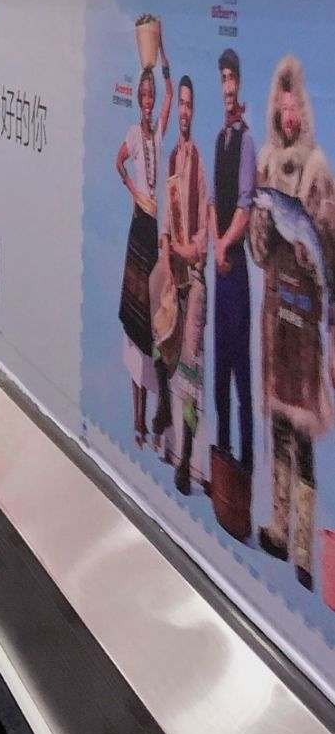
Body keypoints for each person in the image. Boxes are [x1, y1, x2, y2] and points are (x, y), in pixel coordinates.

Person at [250, 55, 335, 590]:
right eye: (281, 108)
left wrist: (309, 249)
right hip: (273, 321)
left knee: (302, 433)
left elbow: (329, 253)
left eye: (294, 106)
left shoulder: (319, 170)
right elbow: (258, 251)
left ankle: (304, 545)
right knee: (278, 425)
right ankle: (279, 527)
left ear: (302, 110)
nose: (288, 116)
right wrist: (262, 225)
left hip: (304, 326)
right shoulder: (264, 164)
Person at [115, 45, 174, 454]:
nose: (150, 101)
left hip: (156, 229)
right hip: (140, 226)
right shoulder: (135, 135)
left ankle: (152, 417)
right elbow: (118, 163)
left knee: (155, 324)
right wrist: (135, 192)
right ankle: (136, 419)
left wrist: (162, 53)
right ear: (139, 99)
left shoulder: (158, 133)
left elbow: (170, 99)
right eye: (146, 95)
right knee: (136, 327)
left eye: (152, 95)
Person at [211, 47, 256, 485]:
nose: (227, 86)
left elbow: (245, 205)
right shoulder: (219, 139)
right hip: (219, 264)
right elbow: (213, 202)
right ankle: (222, 458)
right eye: (222, 78)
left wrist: (224, 245)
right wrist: (213, 240)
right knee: (219, 370)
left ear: (239, 84)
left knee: (241, 371)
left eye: (231, 78)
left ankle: (245, 466)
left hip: (235, 268)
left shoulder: (245, 141)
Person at [165, 75, 211, 496]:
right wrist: (167, 252)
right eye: (179, 104)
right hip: (173, 279)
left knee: (190, 379)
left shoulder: (198, 164)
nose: (183, 111)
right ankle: (170, 441)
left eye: (189, 105)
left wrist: (183, 251)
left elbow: (201, 242)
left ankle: (185, 458)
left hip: (194, 284)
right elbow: (168, 221)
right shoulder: (172, 159)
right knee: (165, 354)